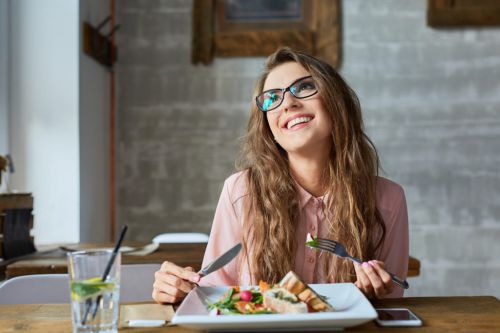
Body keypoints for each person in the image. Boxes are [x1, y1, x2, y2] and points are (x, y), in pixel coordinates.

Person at [152, 47, 409, 304]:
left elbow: (394, 299)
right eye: (272, 98)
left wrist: (375, 293)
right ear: (268, 126)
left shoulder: (388, 199)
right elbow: (215, 296)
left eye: (305, 87)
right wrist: (179, 290)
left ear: (336, 102)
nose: (288, 103)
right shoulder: (240, 191)